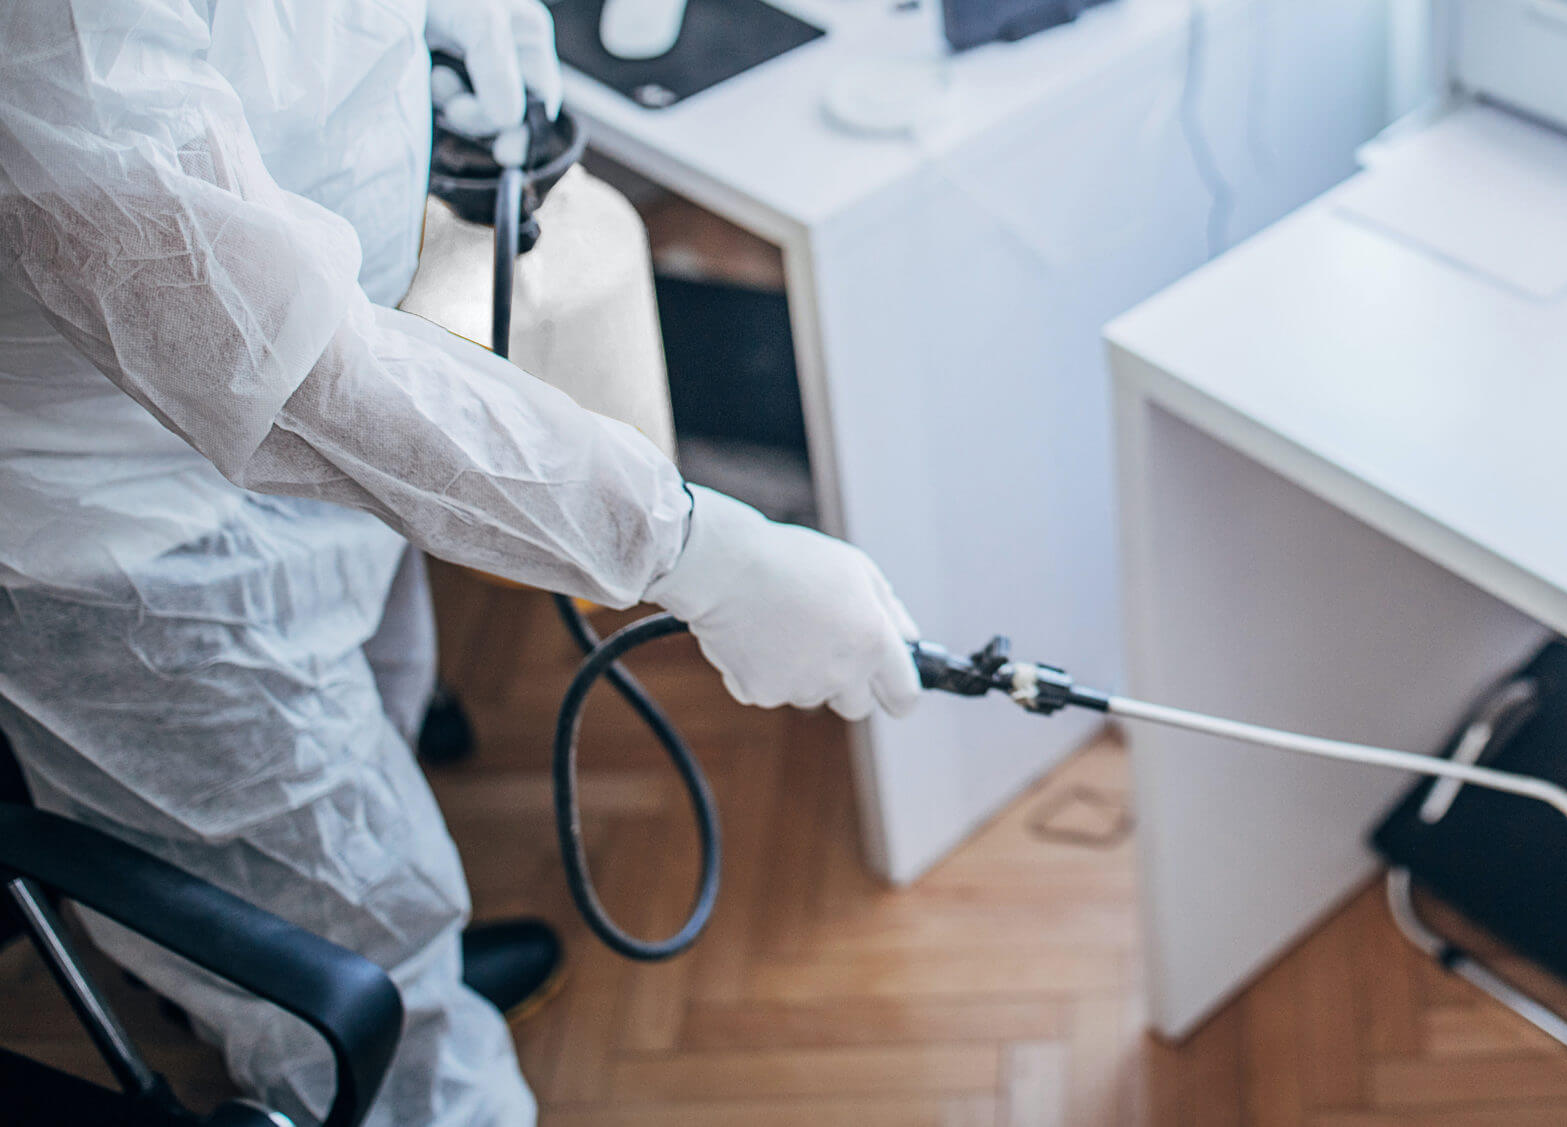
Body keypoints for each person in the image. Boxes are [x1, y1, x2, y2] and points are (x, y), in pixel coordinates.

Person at [0, 1, 924, 1123]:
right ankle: (377, 1023)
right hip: (131, 535)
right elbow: (275, 369)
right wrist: (692, 549)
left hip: (347, 429)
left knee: (370, 744)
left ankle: (369, 964)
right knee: (350, 997)